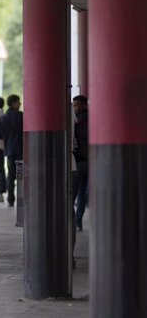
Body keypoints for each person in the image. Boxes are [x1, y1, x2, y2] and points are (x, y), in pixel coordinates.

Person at [0, 94, 23, 207]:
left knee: (11, 175)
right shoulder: (21, 116)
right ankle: (21, 198)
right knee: (21, 174)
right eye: (18, 102)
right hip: (21, 150)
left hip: (9, 150)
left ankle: (10, 198)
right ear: (14, 103)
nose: (20, 104)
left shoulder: (2, 118)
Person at [72, 95, 89, 231]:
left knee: (75, 192)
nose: (75, 108)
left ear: (84, 105)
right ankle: (78, 221)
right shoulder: (93, 119)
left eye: (77, 105)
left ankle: (74, 221)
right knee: (82, 192)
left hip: (79, 162)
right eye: (74, 105)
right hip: (89, 161)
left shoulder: (78, 122)